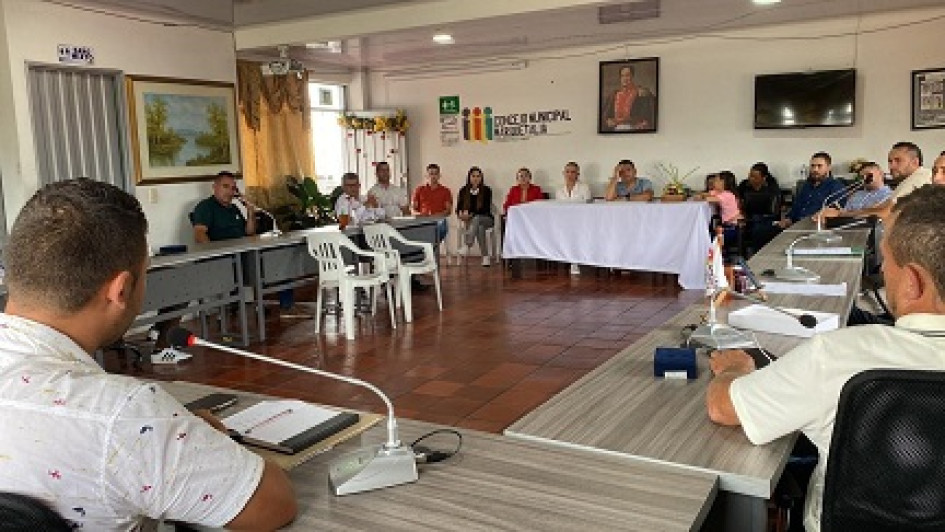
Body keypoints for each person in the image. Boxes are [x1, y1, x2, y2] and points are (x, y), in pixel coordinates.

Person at [0, 179, 297, 531]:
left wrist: (170, 437)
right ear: (121, 290)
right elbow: (274, 504)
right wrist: (185, 444)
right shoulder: (121, 415)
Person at [705, 185, 945, 532]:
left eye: (885, 260)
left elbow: (723, 407)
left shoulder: (841, 355)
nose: (882, 270)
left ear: (913, 282)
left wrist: (733, 369)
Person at [778, 152, 845, 228]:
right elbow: (796, 206)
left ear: (829, 168)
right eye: (812, 166)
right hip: (794, 225)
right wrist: (788, 219)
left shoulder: (836, 186)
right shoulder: (806, 185)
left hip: (815, 226)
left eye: (819, 166)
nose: (815, 169)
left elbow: (836, 212)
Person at [813, 162, 892, 220]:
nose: (864, 178)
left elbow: (874, 214)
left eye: (868, 175)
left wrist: (840, 214)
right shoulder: (856, 194)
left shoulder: (890, 195)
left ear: (881, 174)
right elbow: (844, 213)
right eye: (862, 176)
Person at [455, 166, 494, 267]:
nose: (476, 178)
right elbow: (458, 208)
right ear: (469, 177)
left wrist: (470, 215)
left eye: (478, 176)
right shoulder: (463, 190)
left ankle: (468, 244)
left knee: (477, 219)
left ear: (481, 178)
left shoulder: (487, 190)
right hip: (471, 221)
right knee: (480, 228)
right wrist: (461, 214)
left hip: (487, 219)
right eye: (473, 176)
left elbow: (485, 209)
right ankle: (485, 257)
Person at [602, 65, 655, 130]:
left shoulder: (640, 94)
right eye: (622, 76)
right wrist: (607, 121)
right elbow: (604, 116)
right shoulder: (614, 95)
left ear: (632, 77)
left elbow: (646, 117)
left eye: (627, 75)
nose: (625, 78)